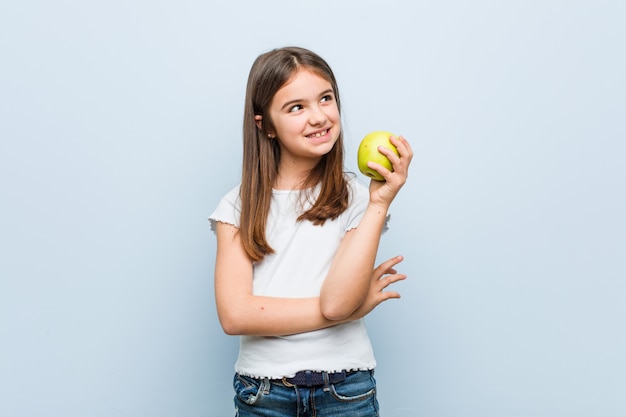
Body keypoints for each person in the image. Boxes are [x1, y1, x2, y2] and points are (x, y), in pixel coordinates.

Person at [209, 46, 413, 416]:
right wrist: (351, 311)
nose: (319, 117)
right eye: (296, 107)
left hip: (346, 389)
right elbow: (236, 316)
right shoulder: (237, 205)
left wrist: (380, 203)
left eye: (325, 99)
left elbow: (337, 300)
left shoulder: (358, 198)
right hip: (263, 392)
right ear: (266, 125)